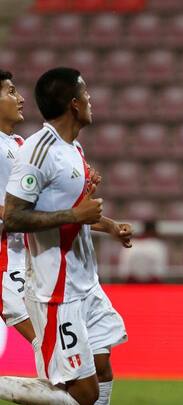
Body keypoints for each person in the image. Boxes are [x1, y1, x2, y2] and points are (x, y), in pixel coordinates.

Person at [0, 68, 132, 405]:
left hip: (84, 281)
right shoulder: (35, 150)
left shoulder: (67, 149)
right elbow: (13, 216)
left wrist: (110, 225)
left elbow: (72, 212)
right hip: (44, 283)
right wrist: (76, 213)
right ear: (73, 104)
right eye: (86, 93)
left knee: (102, 367)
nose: (91, 99)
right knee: (78, 390)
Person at [0, 69, 35, 344]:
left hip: (24, 253)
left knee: (48, 342)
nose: (21, 98)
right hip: (4, 257)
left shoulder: (20, 145)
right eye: (11, 92)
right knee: (45, 341)